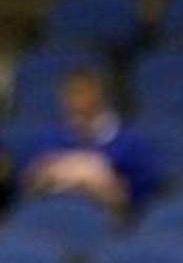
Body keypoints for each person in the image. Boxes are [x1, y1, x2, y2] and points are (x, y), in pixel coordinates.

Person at [18, 66, 159, 213]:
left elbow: (141, 195)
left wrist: (101, 178)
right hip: (51, 217)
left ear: (100, 94)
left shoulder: (130, 141)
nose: (75, 101)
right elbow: (28, 185)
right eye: (70, 93)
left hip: (109, 222)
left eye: (82, 92)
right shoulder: (47, 137)